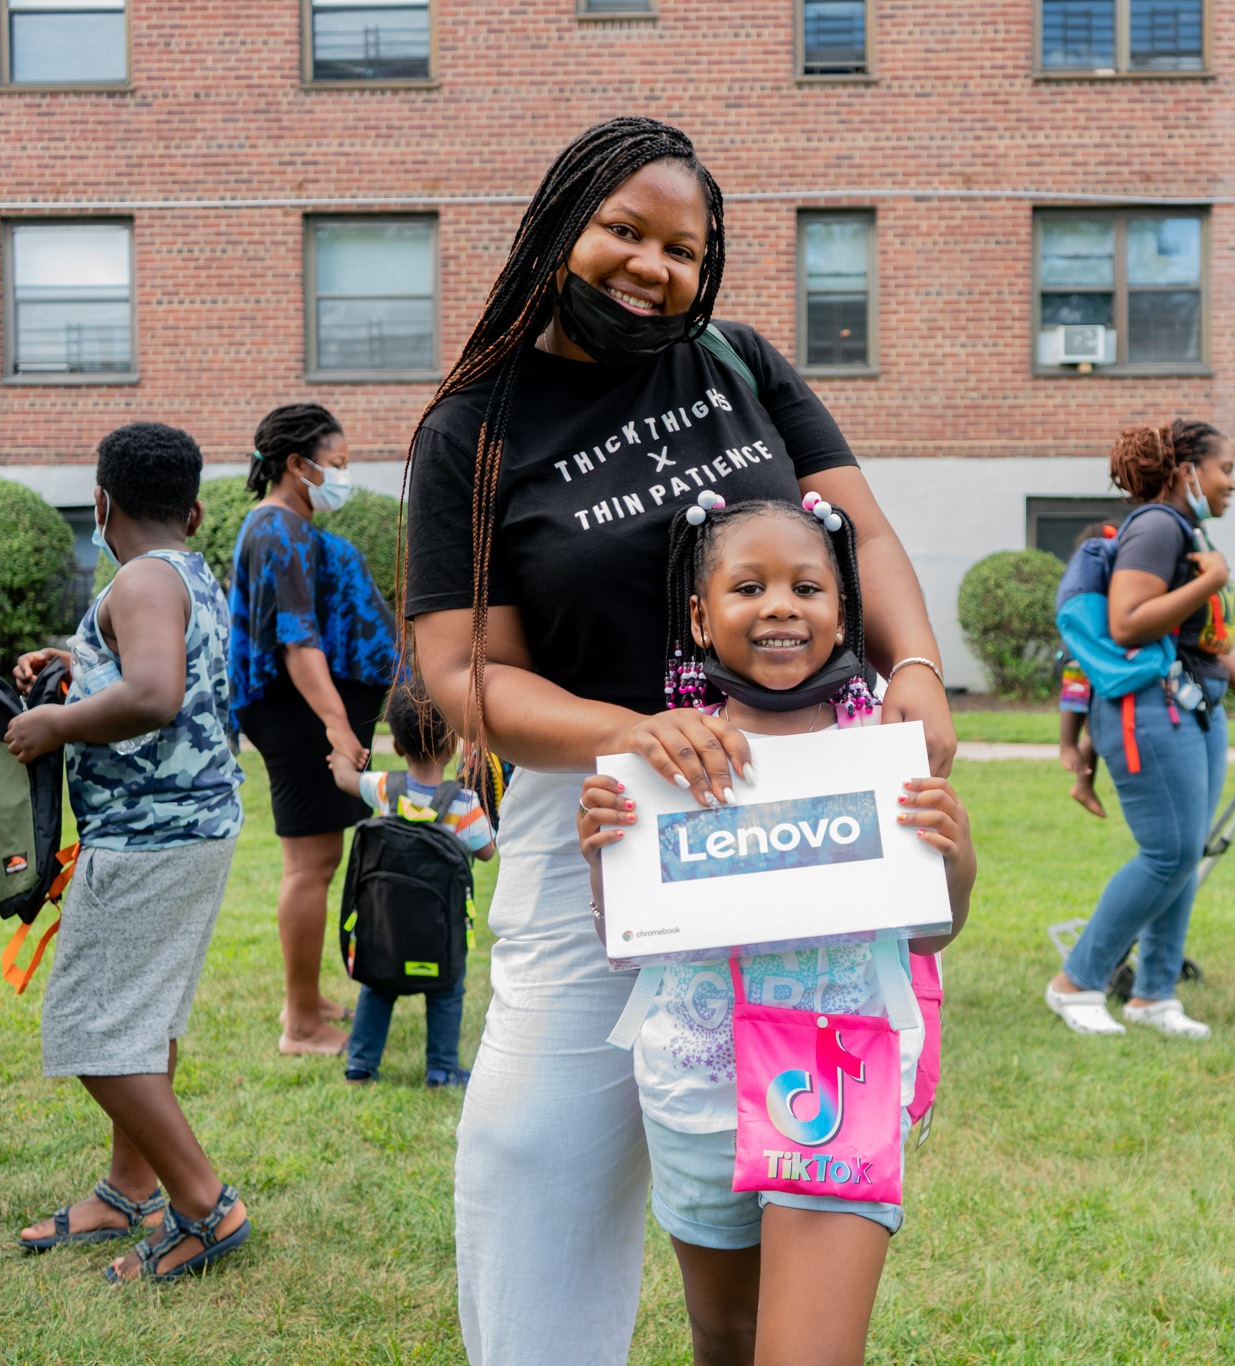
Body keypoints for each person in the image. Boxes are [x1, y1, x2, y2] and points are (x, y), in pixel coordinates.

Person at [404, 117, 956, 1366]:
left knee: (779, 1174)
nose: (651, 266)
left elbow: (857, 535)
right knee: (536, 1143)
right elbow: (460, 674)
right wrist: (637, 731)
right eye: (622, 231)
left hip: (812, 789)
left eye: (682, 247)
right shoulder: (473, 431)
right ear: (558, 228)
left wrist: (913, 669)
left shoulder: (734, 362)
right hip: (605, 810)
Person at [578, 495, 974, 1365]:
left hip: (839, 1067)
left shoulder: (882, 752)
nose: (781, 606)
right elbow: (627, 940)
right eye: (748, 587)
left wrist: (952, 849)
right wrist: (605, 849)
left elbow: (932, 937)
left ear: (844, 611)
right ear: (700, 613)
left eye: (808, 586)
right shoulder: (667, 759)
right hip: (695, 1076)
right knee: (725, 1335)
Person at [6, 422, 251, 1282]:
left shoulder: (140, 577)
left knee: (95, 1029)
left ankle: (205, 1207)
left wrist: (52, 722)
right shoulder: (186, 571)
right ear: (193, 509)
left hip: (150, 836)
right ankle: (125, 1190)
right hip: (192, 826)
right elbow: (148, 673)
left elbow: (154, 694)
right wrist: (77, 667)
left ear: (101, 501)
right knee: (141, 1021)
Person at [1044, 422, 1235, 1041]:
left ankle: (1153, 994)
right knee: (1167, 853)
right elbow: (1126, 624)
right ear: (1187, 471)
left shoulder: (1184, 530)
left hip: (1192, 704)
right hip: (1148, 710)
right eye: (1227, 468)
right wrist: (1210, 581)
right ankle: (1076, 982)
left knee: (1183, 854)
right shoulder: (1156, 526)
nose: (1233, 483)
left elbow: (1197, 647)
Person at [229, 402, 398, 1056]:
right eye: (338, 464)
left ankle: (307, 997)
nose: (342, 476)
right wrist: (334, 723)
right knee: (311, 864)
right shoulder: (277, 529)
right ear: (299, 465)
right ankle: (301, 1022)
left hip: (309, 713)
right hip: (299, 716)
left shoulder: (287, 526)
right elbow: (297, 641)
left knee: (320, 860)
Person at [328, 686, 495, 1088]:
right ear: (453, 742)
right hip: (440, 933)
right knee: (446, 991)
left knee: (378, 987)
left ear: (398, 746)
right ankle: (441, 1068)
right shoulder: (465, 804)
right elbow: (488, 852)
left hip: (385, 926)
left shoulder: (385, 787)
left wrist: (341, 757)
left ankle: (360, 1065)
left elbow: (346, 779)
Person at [1056, 520, 1115, 820]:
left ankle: (1084, 787)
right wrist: (1068, 744)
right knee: (1078, 697)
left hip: (1093, 657)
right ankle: (1067, 745)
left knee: (1095, 728)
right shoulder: (1089, 580)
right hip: (1078, 659)